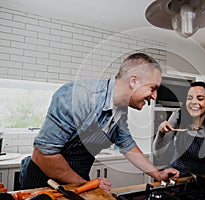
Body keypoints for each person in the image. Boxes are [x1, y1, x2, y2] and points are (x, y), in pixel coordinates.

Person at [19, 53, 179, 191]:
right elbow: (44, 155)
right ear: (133, 81)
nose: (155, 96)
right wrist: (88, 184)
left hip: (78, 180)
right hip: (42, 179)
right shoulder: (79, 96)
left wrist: (157, 174)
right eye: (153, 88)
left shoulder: (121, 109)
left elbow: (127, 144)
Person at [153, 81, 205, 177]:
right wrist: (160, 133)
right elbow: (159, 154)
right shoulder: (177, 117)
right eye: (189, 98)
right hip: (177, 176)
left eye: (200, 98)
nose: (194, 102)